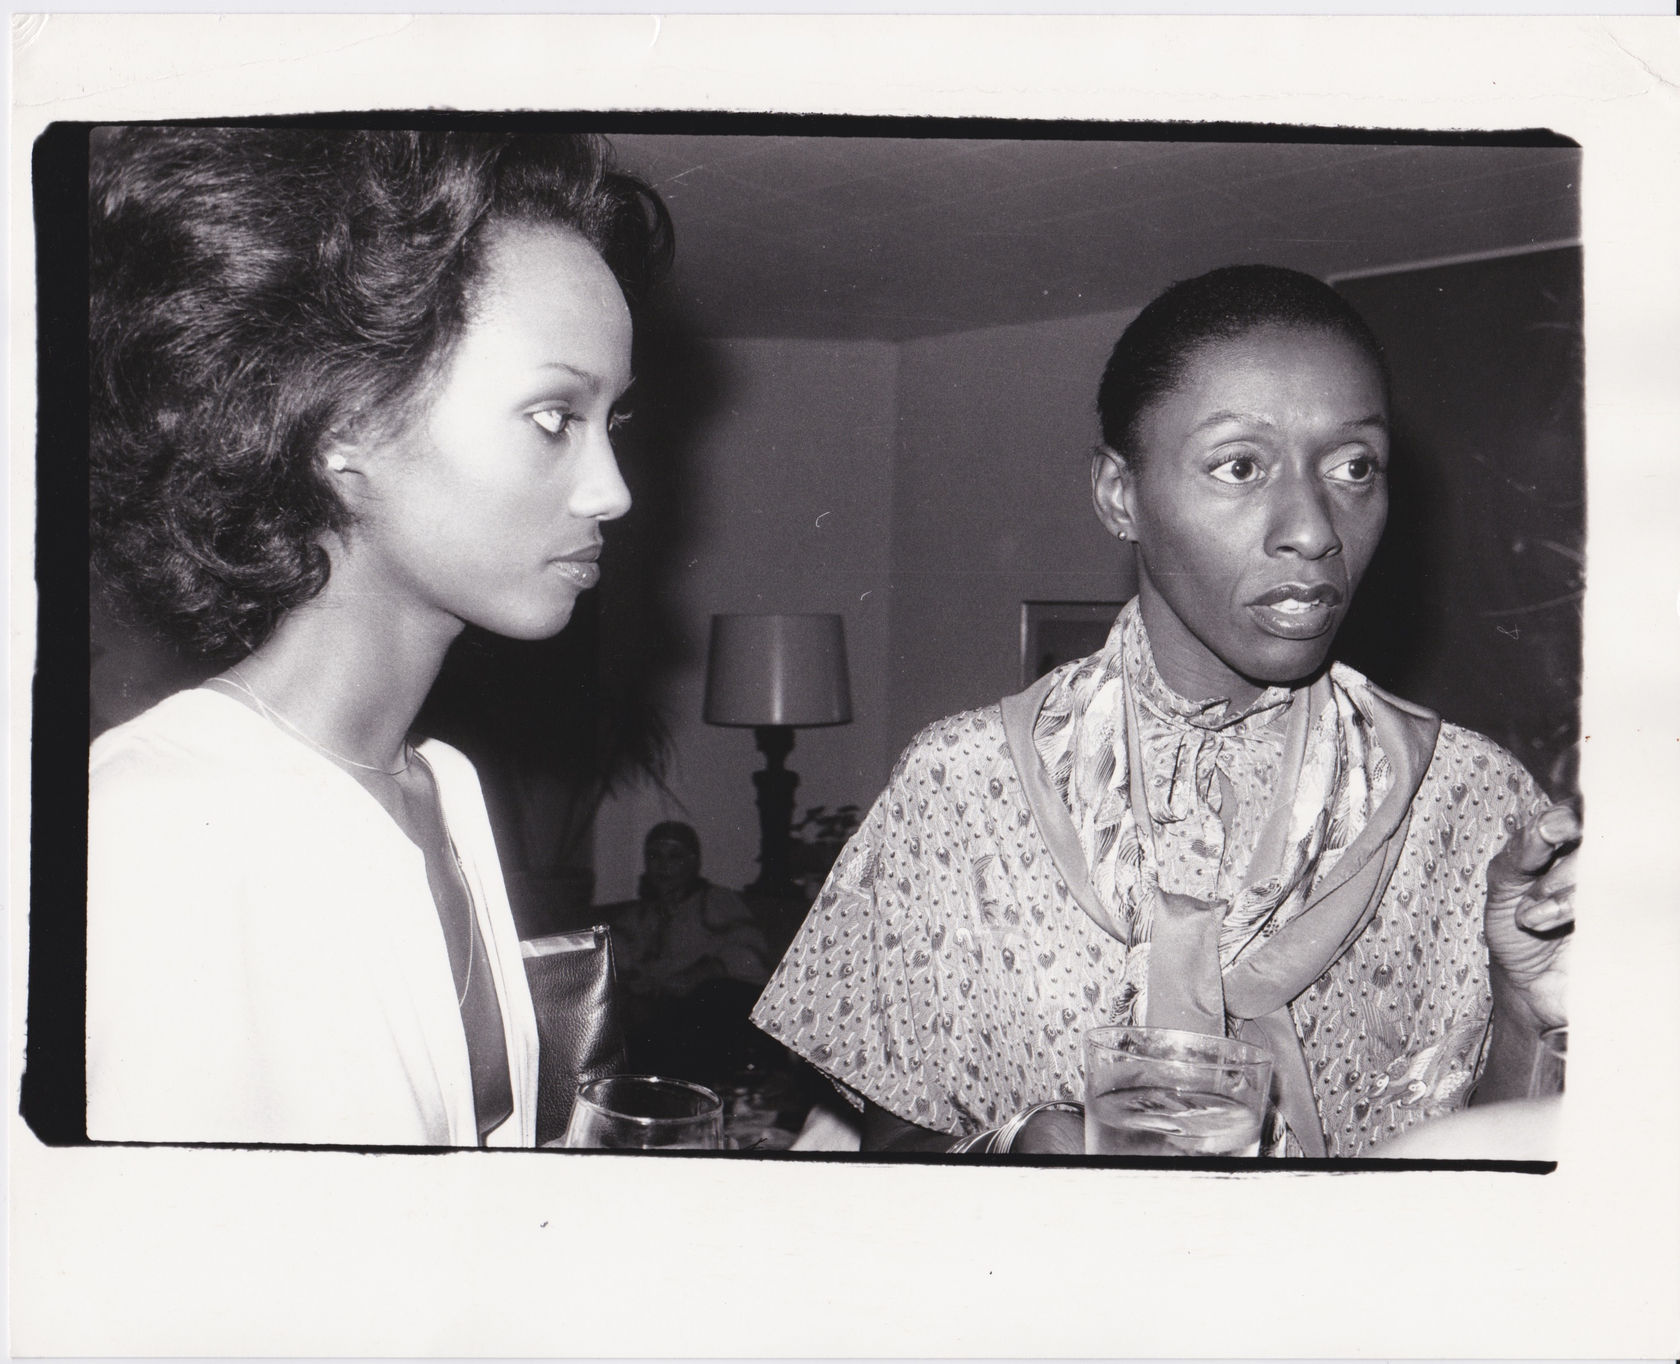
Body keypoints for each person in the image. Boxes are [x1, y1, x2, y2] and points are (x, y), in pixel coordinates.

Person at [752, 265, 1576, 1157]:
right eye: (1240, 465)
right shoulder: (964, 787)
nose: (1313, 527)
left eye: (1353, 466)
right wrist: (1021, 1149)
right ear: (1119, 495)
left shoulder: (1472, 802)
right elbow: (887, 1153)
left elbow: (1520, 1183)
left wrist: (1528, 1004)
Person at [86, 127, 672, 1146]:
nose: (611, 491)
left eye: (610, 421)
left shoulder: (442, 788)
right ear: (340, 426)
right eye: (551, 415)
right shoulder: (151, 822)